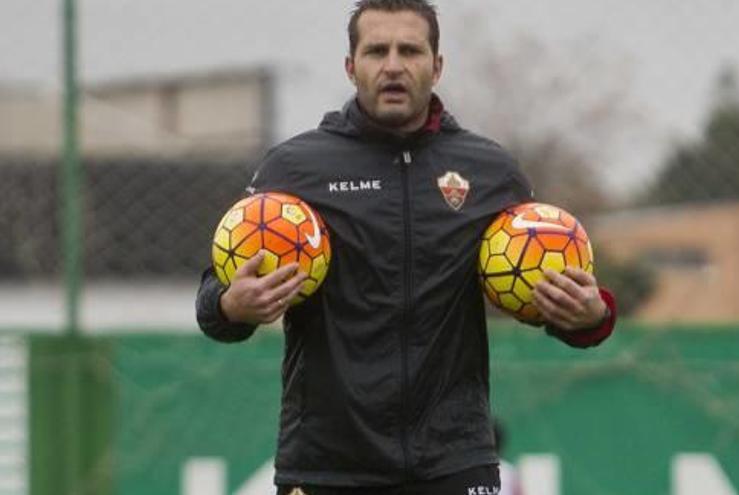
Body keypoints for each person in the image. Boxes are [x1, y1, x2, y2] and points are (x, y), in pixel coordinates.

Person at [196, 1, 617, 494]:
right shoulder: (295, 170)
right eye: (377, 50)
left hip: (453, 462)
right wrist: (232, 304)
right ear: (351, 67)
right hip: (327, 466)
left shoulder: (489, 172)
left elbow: (555, 301)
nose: (393, 65)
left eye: (410, 50)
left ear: (436, 66)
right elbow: (214, 298)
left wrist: (590, 315)